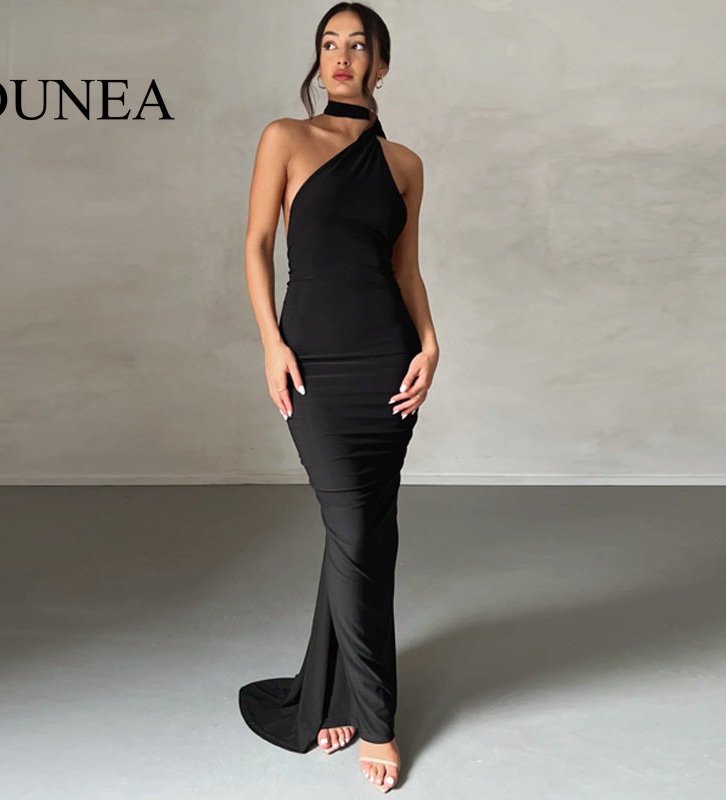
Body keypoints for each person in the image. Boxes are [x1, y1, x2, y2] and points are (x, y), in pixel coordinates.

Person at [240, 2, 439, 792]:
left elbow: (405, 268)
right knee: (354, 527)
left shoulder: (406, 165)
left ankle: (337, 693)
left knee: (366, 533)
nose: (342, 56)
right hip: (315, 361)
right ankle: (379, 722)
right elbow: (258, 243)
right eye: (330, 43)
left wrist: (430, 344)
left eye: (359, 45)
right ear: (319, 58)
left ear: (381, 65)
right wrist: (271, 342)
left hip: (387, 357)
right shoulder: (286, 138)